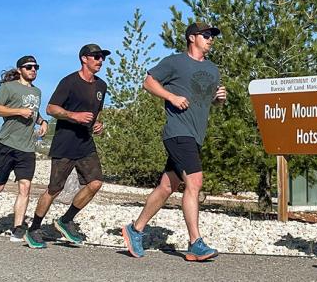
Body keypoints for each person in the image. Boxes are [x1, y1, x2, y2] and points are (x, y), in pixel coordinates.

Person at [122, 22, 226, 261]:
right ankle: (195, 243)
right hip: (178, 132)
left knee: (168, 186)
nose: (211, 39)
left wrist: (219, 99)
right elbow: (148, 82)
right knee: (195, 182)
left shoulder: (212, 69)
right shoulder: (175, 62)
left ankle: (135, 229)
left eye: (212, 36)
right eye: (206, 35)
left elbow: (206, 100)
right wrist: (171, 96)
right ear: (192, 38)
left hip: (196, 134)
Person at [24, 44, 109, 249]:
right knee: (54, 189)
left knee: (95, 183)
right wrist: (73, 115)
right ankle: (34, 228)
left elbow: (97, 112)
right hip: (65, 143)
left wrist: (98, 123)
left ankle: (66, 220)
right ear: (84, 59)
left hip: (85, 143)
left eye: (102, 57)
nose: (100, 61)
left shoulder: (101, 86)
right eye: (96, 57)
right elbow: (51, 108)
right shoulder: (69, 82)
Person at [0, 56, 47, 242]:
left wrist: (42, 121)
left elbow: (34, 110)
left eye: (36, 67)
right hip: (6, 144)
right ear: (19, 70)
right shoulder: (8, 88)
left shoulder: (38, 92)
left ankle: (17, 228)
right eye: (29, 67)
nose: (33, 70)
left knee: (25, 186)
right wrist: (18, 111)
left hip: (26, 147)